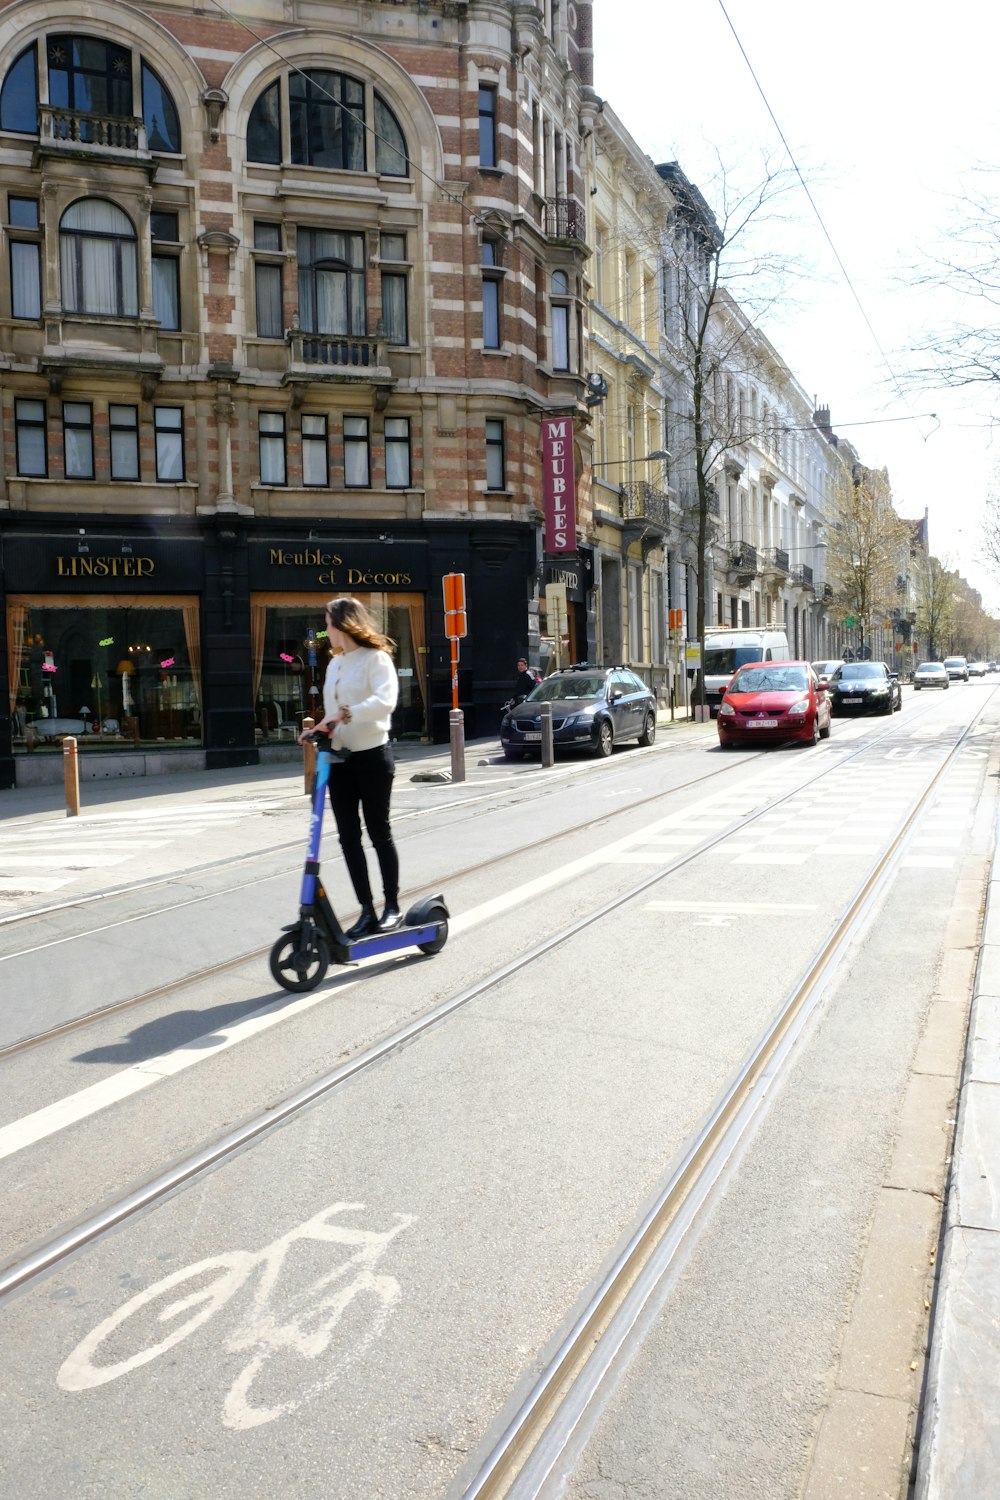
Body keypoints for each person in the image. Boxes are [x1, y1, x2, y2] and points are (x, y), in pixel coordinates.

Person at [298, 597, 401, 938]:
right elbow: (332, 715)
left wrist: (346, 712)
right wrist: (316, 730)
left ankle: (391, 907)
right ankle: (367, 911)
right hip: (339, 761)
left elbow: (385, 702)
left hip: (373, 757)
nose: (326, 630)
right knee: (348, 838)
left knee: (378, 832)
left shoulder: (377, 659)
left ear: (343, 624)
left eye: (328, 623)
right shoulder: (335, 665)